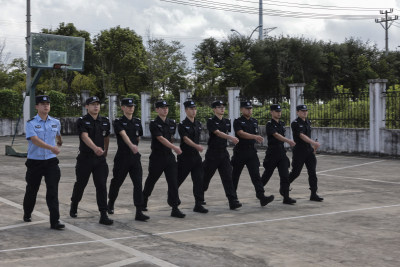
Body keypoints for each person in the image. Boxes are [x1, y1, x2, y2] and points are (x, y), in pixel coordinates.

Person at [70, 96, 113, 225]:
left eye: (98, 104)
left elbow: (106, 137)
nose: (96, 106)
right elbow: (84, 136)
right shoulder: (82, 121)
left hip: (100, 159)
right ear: (86, 107)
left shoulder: (105, 121)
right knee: (81, 184)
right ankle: (74, 204)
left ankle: (103, 214)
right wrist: (95, 148)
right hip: (85, 158)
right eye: (93, 104)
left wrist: (105, 151)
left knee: (101, 185)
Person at [23, 95, 64, 230]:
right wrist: (51, 147)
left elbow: (57, 133)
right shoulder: (31, 123)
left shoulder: (55, 122)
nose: (46, 106)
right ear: (37, 107)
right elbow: (34, 139)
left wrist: (59, 140)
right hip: (35, 162)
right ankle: (27, 212)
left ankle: (55, 221)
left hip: (51, 162)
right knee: (32, 190)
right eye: (42, 104)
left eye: (47, 103)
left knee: (52, 191)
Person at [107, 98, 149, 221]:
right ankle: (111, 202)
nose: (131, 108)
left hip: (135, 158)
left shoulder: (137, 121)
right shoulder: (118, 122)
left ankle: (139, 211)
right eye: (128, 106)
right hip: (122, 157)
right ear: (123, 108)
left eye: (132, 106)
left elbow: (138, 136)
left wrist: (135, 147)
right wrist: (131, 146)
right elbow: (123, 135)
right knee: (117, 182)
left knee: (138, 184)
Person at [142, 100, 185, 218]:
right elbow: (160, 138)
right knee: (152, 180)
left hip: (169, 156)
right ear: (157, 110)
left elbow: (170, 137)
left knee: (173, 182)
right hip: (157, 157)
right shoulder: (154, 123)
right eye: (162, 107)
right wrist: (174, 147)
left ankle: (175, 207)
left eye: (166, 107)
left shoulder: (172, 123)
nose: (165, 109)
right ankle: (144, 198)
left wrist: (171, 148)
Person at [231, 101, 274, 207]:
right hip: (240, 152)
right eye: (247, 108)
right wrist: (255, 137)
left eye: (251, 108)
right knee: (235, 176)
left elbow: (255, 134)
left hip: (251, 152)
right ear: (242, 110)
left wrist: (256, 138)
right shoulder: (238, 121)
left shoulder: (254, 121)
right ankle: (233, 199)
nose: (249, 110)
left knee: (256, 176)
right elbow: (240, 133)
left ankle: (261, 197)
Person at [202, 100, 242, 210]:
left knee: (228, 177)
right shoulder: (211, 121)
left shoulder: (227, 121)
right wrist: (231, 138)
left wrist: (229, 138)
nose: (222, 109)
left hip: (223, 153)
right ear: (214, 109)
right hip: (212, 153)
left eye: (223, 107)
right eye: (219, 107)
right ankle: (200, 198)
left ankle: (232, 201)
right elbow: (218, 133)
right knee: (206, 177)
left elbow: (225, 133)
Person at [176, 100, 208, 214]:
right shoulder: (182, 125)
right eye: (191, 109)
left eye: (195, 109)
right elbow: (185, 139)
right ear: (186, 110)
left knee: (199, 180)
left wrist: (197, 148)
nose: (194, 111)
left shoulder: (198, 124)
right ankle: (173, 203)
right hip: (185, 157)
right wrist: (196, 146)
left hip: (196, 157)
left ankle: (198, 204)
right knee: (177, 181)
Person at [261, 104, 296, 205]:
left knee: (285, 176)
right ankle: (260, 193)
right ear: (271, 112)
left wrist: (286, 141)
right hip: (272, 153)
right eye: (276, 111)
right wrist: (288, 140)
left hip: (281, 153)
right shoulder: (269, 124)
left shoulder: (282, 123)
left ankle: (286, 197)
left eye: (279, 111)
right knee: (267, 175)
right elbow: (276, 135)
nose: (279, 113)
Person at [288, 104, 324, 202]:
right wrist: (313, 142)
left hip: (309, 151)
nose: (304, 112)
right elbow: (302, 136)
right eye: (302, 111)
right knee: (296, 172)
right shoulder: (295, 123)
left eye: (306, 111)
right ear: (297, 112)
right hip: (299, 151)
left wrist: (313, 148)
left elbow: (307, 135)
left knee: (312, 172)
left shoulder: (308, 122)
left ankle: (313, 193)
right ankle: (284, 186)